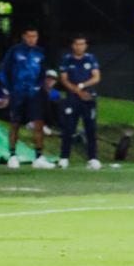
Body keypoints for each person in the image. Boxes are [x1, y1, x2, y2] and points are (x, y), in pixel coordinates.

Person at [0, 25, 53, 169]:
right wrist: (8, 91)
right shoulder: (14, 51)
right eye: (29, 36)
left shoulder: (40, 52)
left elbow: (42, 73)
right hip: (17, 92)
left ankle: (39, 157)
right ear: (24, 36)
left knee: (38, 123)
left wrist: (40, 87)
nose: (32, 39)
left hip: (34, 94)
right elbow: (5, 70)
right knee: (15, 124)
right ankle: (12, 155)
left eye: (34, 36)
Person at [58, 35, 102, 170]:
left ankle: (93, 158)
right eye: (77, 44)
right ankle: (64, 157)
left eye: (82, 44)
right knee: (69, 128)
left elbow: (96, 77)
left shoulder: (90, 58)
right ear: (73, 45)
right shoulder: (67, 60)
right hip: (73, 98)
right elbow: (64, 79)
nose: (79, 47)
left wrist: (82, 86)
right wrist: (77, 91)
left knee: (90, 128)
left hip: (89, 97)